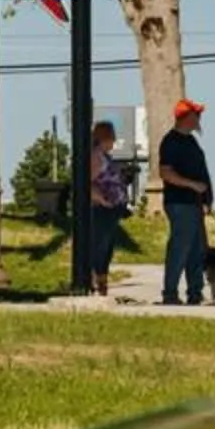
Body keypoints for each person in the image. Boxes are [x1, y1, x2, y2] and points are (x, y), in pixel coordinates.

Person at [156, 98, 213, 306]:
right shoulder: (170, 141)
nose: (199, 119)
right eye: (196, 115)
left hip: (195, 203)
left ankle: (195, 292)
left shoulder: (191, 141)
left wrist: (206, 198)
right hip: (180, 203)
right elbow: (165, 172)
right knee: (180, 247)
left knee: (197, 248)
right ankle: (170, 293)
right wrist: (191, 185)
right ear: (186, 117)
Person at [84, 119, 129, 297]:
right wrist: (101, 199)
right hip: (102, 208)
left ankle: (102, 281)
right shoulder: (96, 157)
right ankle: (96, 280)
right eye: (112, 138)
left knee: (107, 247)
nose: (114, 141)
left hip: (113, 208)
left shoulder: (105, 156)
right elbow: (87, 181)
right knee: (100, 246)